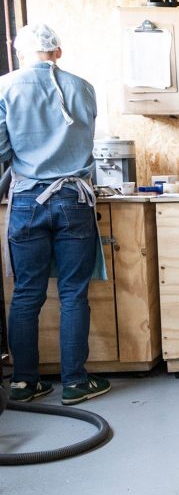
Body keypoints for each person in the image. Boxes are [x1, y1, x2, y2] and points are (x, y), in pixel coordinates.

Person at [1, 23, 110, 405]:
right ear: (58, 52)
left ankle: (24, 382)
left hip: (28, 201)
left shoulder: (4, 87)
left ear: (19, 53)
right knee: (73, 293)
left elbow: (1, 152)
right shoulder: (82, 88)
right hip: (73, 199)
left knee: (27, 294)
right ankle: (76, 382)